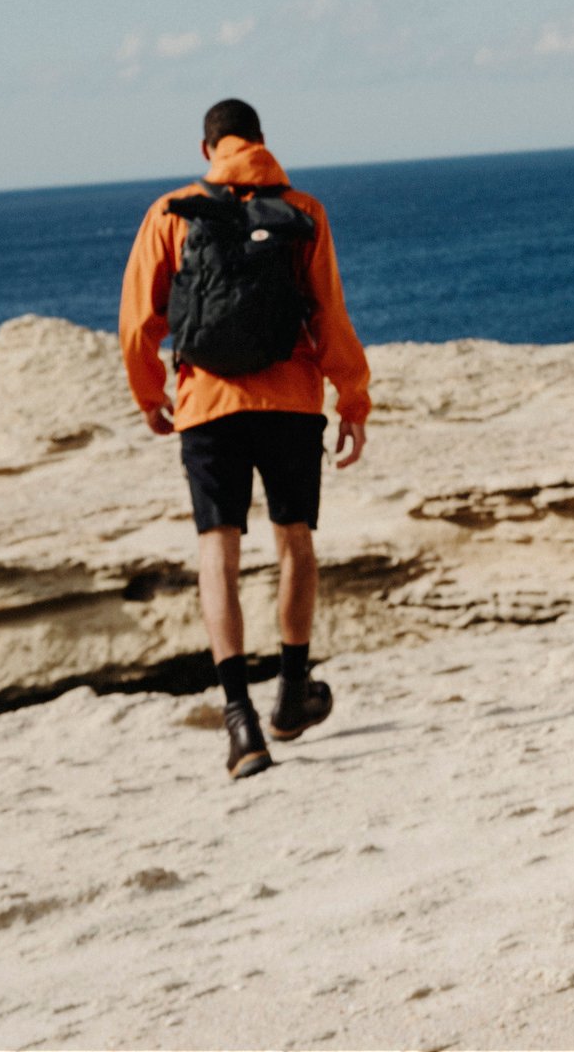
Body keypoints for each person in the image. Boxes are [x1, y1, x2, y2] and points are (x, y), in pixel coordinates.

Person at [119, 98, 371, 780]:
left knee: (217, 556)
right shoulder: (304, 210)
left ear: (207, 150)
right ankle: (291, 693)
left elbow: (139, 316)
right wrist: (353, 397)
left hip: (207, 404)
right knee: (295, 541)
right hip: (290, 401)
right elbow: (329, 313)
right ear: (262, 141)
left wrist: (150, 394)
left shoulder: (171, 211)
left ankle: (242, 725)